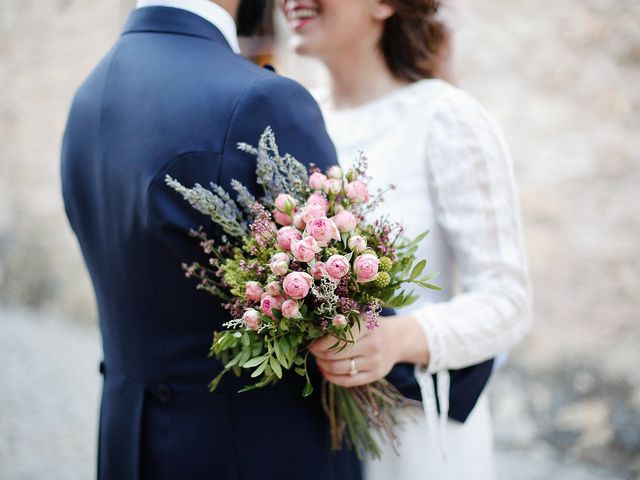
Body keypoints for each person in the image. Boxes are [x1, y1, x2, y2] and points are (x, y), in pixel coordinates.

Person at [60, 1, 363, 478]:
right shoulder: (261, 102)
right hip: (248, 453)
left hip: (127, 445)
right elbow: (347, 316)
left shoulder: (87, 94)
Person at [279, 0, 533, 478]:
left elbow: (509, 300)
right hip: (309, 433)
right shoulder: (293, 120)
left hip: (416, 438)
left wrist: (398, 338)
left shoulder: (446, 118)